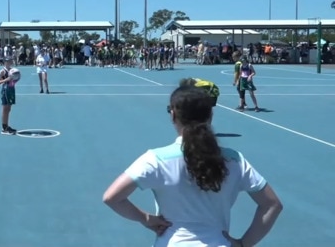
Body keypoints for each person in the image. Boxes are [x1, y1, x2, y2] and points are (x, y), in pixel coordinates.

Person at [103, 86, 282, 247]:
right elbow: (272, 204)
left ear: (173, 115)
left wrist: (146, 219)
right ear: (210, 116)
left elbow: (112, 197)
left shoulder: (156, 159)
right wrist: (244, 244)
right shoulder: (234, 160)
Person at [0, 57, 18, 135]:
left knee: (8, 109)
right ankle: (4, 128)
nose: (10, 62)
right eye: (9, 61)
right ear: (5, 62)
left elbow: (14, 80)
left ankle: (6, 126)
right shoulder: (2, 71)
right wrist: (6, 79)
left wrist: (16, 79)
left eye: (11, 61)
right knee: (5, 108)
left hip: (11, 89)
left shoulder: (12, 70)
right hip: (5, 90)